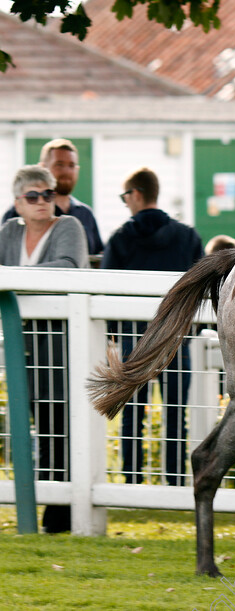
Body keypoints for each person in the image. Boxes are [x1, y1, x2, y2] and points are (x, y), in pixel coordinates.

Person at [0, 165, 89, 533]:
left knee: (58, 426)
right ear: (18, 202)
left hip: (61, 345)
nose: (42, 202)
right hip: (19, 343)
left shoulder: (68, 227)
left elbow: (66, 268)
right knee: (28, 423)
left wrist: (13, 281)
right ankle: (40, 511)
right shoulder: (8, 231)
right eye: (33, 196)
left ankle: (59, 517)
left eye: (48, 194)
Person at [102, 167, 203, 486]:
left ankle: (132, 480)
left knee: (133, 415)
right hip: (174, 340)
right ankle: (173, 481)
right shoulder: (187, 237)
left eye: (124, 197)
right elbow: (200, 289)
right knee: (176, 415)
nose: (125, 202)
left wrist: (111, 337)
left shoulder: (120, 239)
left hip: (135, 340)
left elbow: (106, 290)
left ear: (135, 195)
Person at [3, 139, 103, 258]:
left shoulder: (86, 213)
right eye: (59, 165)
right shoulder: (15, 215)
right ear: (43, 167)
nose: (66, 171)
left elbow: (97, 256)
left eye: (71, 165)